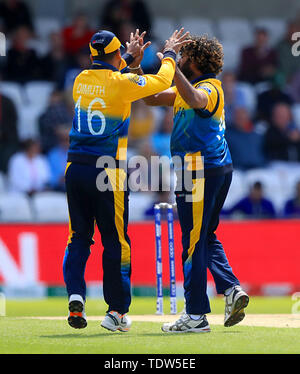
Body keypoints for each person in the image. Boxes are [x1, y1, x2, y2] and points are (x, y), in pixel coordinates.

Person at [63, 28, 190, 331]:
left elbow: (109, 73)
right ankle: (117, 312)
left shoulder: (80, 81)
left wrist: (129, 56)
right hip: (107, 171)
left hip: (75, 167)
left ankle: (76, 297)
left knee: (78, 237)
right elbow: (159, 81)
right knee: (116, 241)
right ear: (117, 54)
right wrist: (169, 54)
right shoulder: (121, 83)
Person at [144, 35, 249, 333]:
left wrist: (170, 61)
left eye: (184, 56)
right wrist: (138, 68)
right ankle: (231, 289)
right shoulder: (184, 89)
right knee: (202, 237)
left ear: (195, 61)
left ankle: (195, 315)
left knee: (191, 244)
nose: (181, 60)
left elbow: (197, 100)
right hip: (205, 170)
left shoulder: (209, 87)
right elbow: (149, 97)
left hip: (200, 172)